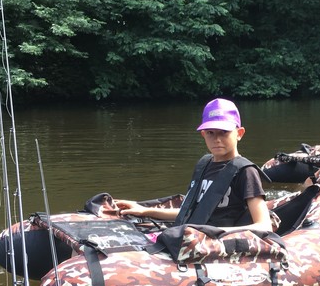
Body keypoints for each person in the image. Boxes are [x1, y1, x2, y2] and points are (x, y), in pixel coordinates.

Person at [115, 98, 273, 233]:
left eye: (223, 132)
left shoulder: (246, 172)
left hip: (216, 244)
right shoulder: (204, 165)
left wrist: (209, 232)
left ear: (239, 133)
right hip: (192, 236)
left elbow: (264, 226)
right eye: (210, 133)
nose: (216, 139)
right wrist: (144, 211)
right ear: (203, 134)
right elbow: (190, 213)